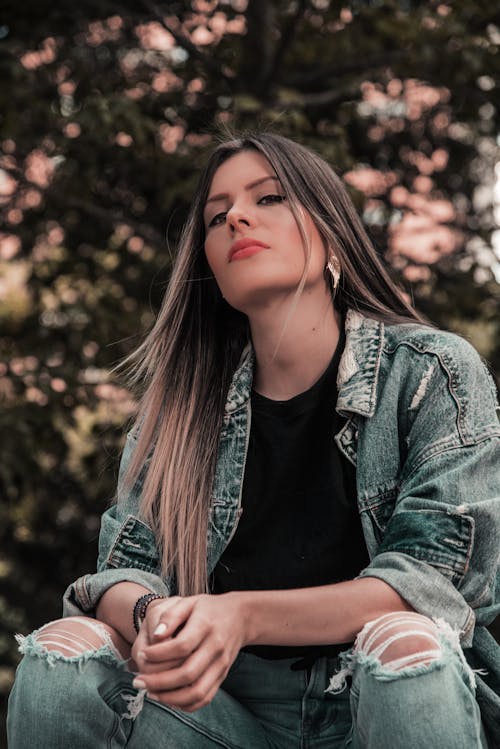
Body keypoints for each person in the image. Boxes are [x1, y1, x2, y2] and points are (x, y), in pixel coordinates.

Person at [7, 132, 500, 748]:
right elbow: (121, 574)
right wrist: (151, 616)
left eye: (268, 198)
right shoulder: (180, 412)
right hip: (216, 713)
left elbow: (436, 586)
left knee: (408, 645)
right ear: (211, 266)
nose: (236, 216)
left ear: (330, 234)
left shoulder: (431, 372)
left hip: (380, 706)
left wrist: (241, 614)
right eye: (217, 215)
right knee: (61, 655)